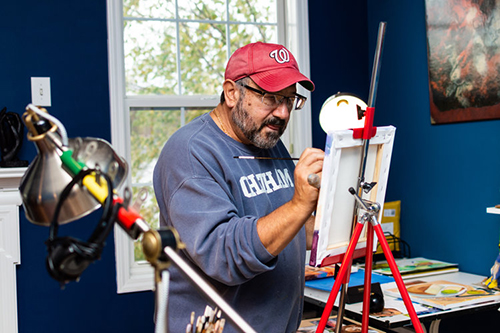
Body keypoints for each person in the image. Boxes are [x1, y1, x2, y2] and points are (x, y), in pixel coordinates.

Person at [153, 41, 324, 332]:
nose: (282, 113)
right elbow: (225, 256)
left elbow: (291, 229)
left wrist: (335, 208)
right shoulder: (191, 153)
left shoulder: (266, 140)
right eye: (271, 98)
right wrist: (299, 204)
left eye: (290, 100)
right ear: (232, 92)